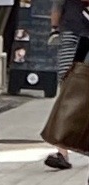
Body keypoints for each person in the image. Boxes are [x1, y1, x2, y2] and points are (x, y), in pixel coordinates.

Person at [44, 0, 89, 170]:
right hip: (72, 31)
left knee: (68, 90)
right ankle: (62, 151)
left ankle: (63, 151)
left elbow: (57, 5)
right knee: (68, 89)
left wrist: (54, 28)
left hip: (72, 30)